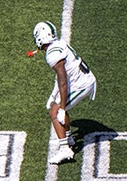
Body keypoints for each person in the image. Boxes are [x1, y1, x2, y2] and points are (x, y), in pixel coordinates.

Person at [31, 21, 97, 165]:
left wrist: (61, 107)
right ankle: (68, 139)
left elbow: (63, 82)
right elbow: (62, 76)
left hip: (81, 84)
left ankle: (64, 149)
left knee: (54, 112)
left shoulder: (52, 54)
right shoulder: (59, 44)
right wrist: (53, 95)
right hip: (83, 79)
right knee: (57, 106)